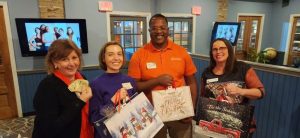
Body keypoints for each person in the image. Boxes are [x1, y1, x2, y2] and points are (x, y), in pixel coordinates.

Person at [128, 13, 197, 138]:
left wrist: (191, 108)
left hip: (180, 112)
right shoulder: (138, 55)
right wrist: (157, 81)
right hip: (152, 115)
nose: (158, 31)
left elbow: (192, 82)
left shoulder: (181, 52)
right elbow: (134, 87)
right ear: (149, 31)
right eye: (154, 28)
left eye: (162, 28)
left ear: (168, 30)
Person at [200, 38, 265, 136]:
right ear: (211, 53)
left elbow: (260, 92)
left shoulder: (242, 68)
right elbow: (203, 98)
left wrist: (240, 91)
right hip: (215, 123)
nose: (218, 52)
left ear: (229, 50)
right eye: (215, 49)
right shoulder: (207, 73)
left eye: (222, 48)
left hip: (239, 123)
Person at [32, 39, 93, 138]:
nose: (72, 63)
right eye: (65, 59)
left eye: (74, 57)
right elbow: (49, 128)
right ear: (55, 62)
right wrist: (80, 101)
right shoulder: (48, 86)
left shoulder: (81, 78)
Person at [89, 41, 137, 138]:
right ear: (103, 58)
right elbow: (94, 119)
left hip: (128, 132)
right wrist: (113, 101)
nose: (116, 58)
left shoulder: (130, 80)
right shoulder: (96, 84)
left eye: (119, 54)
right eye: (111, 55)